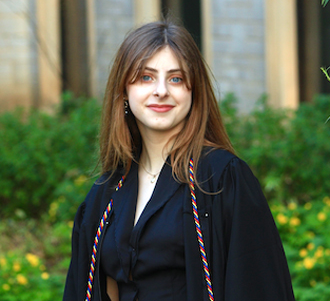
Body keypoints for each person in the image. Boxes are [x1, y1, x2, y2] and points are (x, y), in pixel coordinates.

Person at [63, 20, 295, 301]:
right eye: (146, 77)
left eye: (175, 78)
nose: (161, 90)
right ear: (124, 91)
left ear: (193, 91)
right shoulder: (107, 191)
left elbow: (258, 286)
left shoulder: (221, 179)